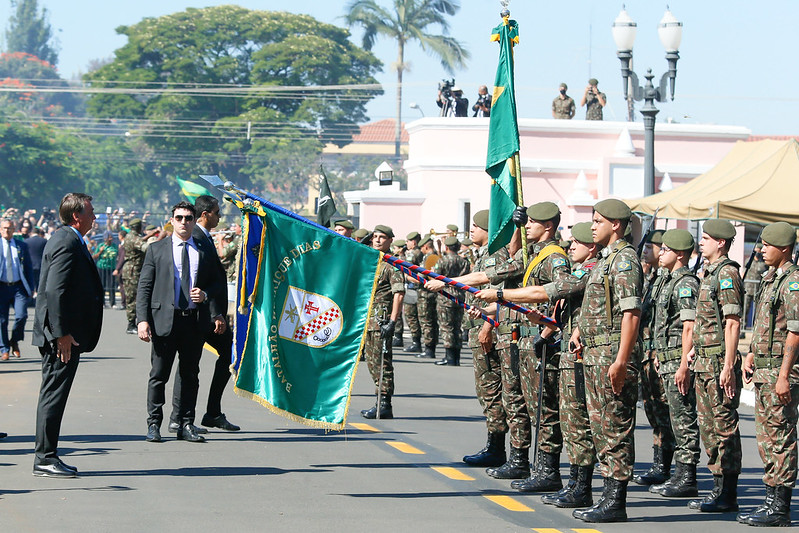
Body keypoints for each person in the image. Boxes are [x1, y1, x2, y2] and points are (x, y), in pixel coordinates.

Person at [476, 221, 601, 508]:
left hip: (563, 347)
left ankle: (550, 472)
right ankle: (547, 472)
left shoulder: (557, 259)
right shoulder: (542, 257)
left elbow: (553, 294)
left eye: (531, 222)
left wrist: (543, 329)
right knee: (535, 408)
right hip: (538, 338)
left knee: (548, 411)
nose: (571, 248)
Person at [569, 199, 643, 523]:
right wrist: (579, 330)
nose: (593, 226)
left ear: (616, 225)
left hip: (612, 357)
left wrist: (622, 361)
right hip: (596, 354)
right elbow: (601, 307)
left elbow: (631, 314)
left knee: (615, 430)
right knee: (601, 429)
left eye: (598, 221)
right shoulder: (605, 260)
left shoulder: (625, 260)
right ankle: (606, 496)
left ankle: (615, 502)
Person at [137, 201, 226, 444]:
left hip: (193, 321)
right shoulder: (157, 249)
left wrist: (206, 295)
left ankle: (186, 423)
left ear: (195, 220)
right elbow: (144, 287)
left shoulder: (203, 250)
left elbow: (217, 282)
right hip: (164, 320)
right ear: (172, 220)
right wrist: (142, 320)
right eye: (179, 218)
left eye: (188, 218)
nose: (184, 222)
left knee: (190, 375)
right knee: (159, 375)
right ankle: (154, 423)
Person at [32, 193, 104, 477]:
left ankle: (47, 455)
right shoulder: (66, 240)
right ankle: (44, 457)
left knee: (54, 396)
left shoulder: (70, 238)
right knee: (52, 396)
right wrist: (61, 334)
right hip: (60, 337)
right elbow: (55, 290)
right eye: (91, 212)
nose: (94, 217)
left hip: (64, 334)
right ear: (77, 216)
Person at [739, 222, 799, 527]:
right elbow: (765, 324)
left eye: (766, 245)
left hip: (779, 371)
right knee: (766, 438)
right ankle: (769, 501)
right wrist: (750, 353)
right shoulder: (771, 280)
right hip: (764, 369)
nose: (760, 250)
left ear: (784, 248)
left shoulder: (792, 282)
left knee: (780, 438)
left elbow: (795, 331)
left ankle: (780, 507)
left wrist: (784, 375)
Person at [167, 196, 240, 435]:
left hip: (209, 313)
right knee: (189, 367)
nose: (219, 217)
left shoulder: (204, 237)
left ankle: (211, 413)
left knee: (226, 355)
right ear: (206, 214)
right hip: (198, 315)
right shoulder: (195, 238)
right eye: (217, 213)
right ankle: (180, 418)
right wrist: (215, 313)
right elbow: (198, 280)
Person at [688, 219, 743, 513]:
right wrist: (695, 349)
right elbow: (709, 322)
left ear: (721, 242)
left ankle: (728, 492)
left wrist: (728, 365)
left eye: (707, 238)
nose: (702, 242)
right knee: (709, 429)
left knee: (724, 428)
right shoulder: (709, 273)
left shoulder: (727, 274)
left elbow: (732, 323)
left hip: (719, 362)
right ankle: (718, 487)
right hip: (705, 361)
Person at [648, 230, 702, 498]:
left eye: (666, 249)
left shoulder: (685, 284)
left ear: (679, 254)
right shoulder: (668, 281)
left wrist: (683, 366)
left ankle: (687, 477)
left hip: (677, 363)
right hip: (666, 360)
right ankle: (676, 474)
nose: (660, 253)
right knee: (673, 418)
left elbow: (689, 327)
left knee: (684, 419)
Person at [636, 229, 676, 487]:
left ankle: (669, 466)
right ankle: (658, 464)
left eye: (654, 246)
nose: (648, 251)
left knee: (666, 411)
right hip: (647, 354)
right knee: (652, 409)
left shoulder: (671, 280)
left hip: (662, 354)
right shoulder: (651, 279)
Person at [360, 225, 404, 419]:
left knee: (382, 363)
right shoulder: (372, 262)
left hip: (381, 320)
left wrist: (392, 321)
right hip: (369, 321)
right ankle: (379, 400)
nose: (377, 240)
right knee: (371, 362)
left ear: (390, 241)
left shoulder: (392, 265)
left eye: (382, 237)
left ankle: (385, 403)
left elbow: (399, 294)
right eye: (375, 237)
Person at [431, 236, 470, 366]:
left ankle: (449, 357)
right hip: (459, 296)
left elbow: (435, 276)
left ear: (446, 247)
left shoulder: (442, 261)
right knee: (457, 327)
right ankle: (457, 357)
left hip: (445, 296)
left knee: (446, 327)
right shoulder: (464, 261)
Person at [0, 219, 35, 360]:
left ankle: (14, 340)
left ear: (14, 229)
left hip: (18, 287)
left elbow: (28, 268)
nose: (7, 231)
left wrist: (31, 287)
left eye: (9, 228)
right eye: (4, 228)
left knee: (21, 316)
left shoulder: (21, 246)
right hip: (2, 287)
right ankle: (4, 348)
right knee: (2, 320)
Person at [122, 219, 159, 334]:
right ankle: (131, 324)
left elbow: (140, 240)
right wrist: (160, 240)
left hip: (133, 270)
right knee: (133, 298)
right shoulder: (133, 238)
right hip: (133, 271)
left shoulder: (131, 236)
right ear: (138, 227)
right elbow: (146, 248)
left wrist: (150, 235)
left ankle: (133, 322)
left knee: (133, 296)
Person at [416, 235, 439, 359]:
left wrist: (409, 276)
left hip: (425, 294)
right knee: (432, 321)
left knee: (426, 321)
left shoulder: (428, 258)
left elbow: (422, 276)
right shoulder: (438, 256)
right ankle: (431, 347)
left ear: (425, 247)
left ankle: (429, 349)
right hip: (433, 294)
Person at [403, 231, 423, 354]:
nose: (407, 243)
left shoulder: (412, 254)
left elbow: (407, 270)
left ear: (414, 242)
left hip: (413, 286)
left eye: (408, 241)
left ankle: (416, 342)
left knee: (411, 315)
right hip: (417, 287)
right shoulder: (421, 253)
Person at [742, 244, 766, 330]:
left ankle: (755, 328)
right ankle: (742, 328)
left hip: (757, 289)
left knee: (757, 311)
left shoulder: (763, 264)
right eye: (756, 251)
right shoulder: (749, 260)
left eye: (759, 251)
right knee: (745, 309)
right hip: (748, 288)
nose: (757, 253)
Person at [92, 231, 118, 308]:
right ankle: (102, 302)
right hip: (102, 268)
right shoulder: (101, 246)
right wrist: (100, 251)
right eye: (109, 237)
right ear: (105, 238)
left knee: (112, 285)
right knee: (101, 286)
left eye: (111, 237)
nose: (111, 239)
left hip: (111, 268)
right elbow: (94, 256)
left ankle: (112, 303)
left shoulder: (114, 246)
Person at [25, 226, 47, 292]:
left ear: (32, 233)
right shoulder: (44, 241)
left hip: (30, 265)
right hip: (40, 264)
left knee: (31, 282)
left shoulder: (26, 241)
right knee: (40, 283)